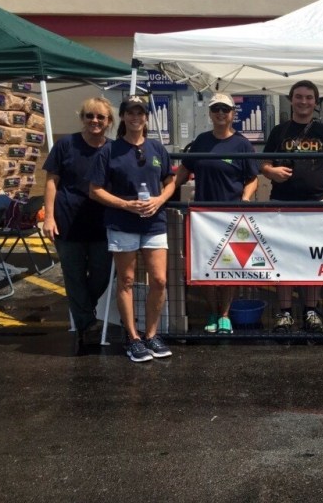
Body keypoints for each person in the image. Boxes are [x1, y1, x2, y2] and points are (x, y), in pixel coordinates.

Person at [88, 96, 177, 363]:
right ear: (123, 117)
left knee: (159, 280)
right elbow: (95, 190)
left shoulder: (157, 148)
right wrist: (126, 205)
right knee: (126, 280)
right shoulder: (109, 150)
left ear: (146, 117)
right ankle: (133, 337)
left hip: (154, 222)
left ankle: (151, 334)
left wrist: (159, 200)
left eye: (140, 113)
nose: (135, 117)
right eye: (130, 113)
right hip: (122, 223)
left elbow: (171, 181)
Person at [259, 80, 323, 333]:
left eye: (308, 97)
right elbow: (263, 164)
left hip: (316, 204)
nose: (303, 101)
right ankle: (285, 312)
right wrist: (272, 172)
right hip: (282, 203)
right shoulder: (279, 131)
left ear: (315, 102)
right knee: (282, 258)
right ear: (291, 99)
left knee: (314, 258)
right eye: (299, 96)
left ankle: (311, 311)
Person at [175, 93, 258, 334]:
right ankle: (212, 311)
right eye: (216, 109)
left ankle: (225, 315)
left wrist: (244, 199)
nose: (220, 113)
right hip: (203, 216)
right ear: (210, 114)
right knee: (206, 267)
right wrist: (164, 192)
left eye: (225, 109)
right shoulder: (201, 141)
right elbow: (183, 171)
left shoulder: (242, 144)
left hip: (232, 216)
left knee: (230, 267)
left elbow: (252, 178)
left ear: (233, 113)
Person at [42, 97, 114, 344]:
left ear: (109, 121)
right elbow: (51, 181)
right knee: (73, 275)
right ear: (82, 118)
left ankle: (83, 310)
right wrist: (48, 217)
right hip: (67, 221)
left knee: (104, 274)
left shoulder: (113, 149)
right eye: (89, 116)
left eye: (100, 117)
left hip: (102, 223)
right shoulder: (66, 145)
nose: (95, 120)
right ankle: (86, 323)